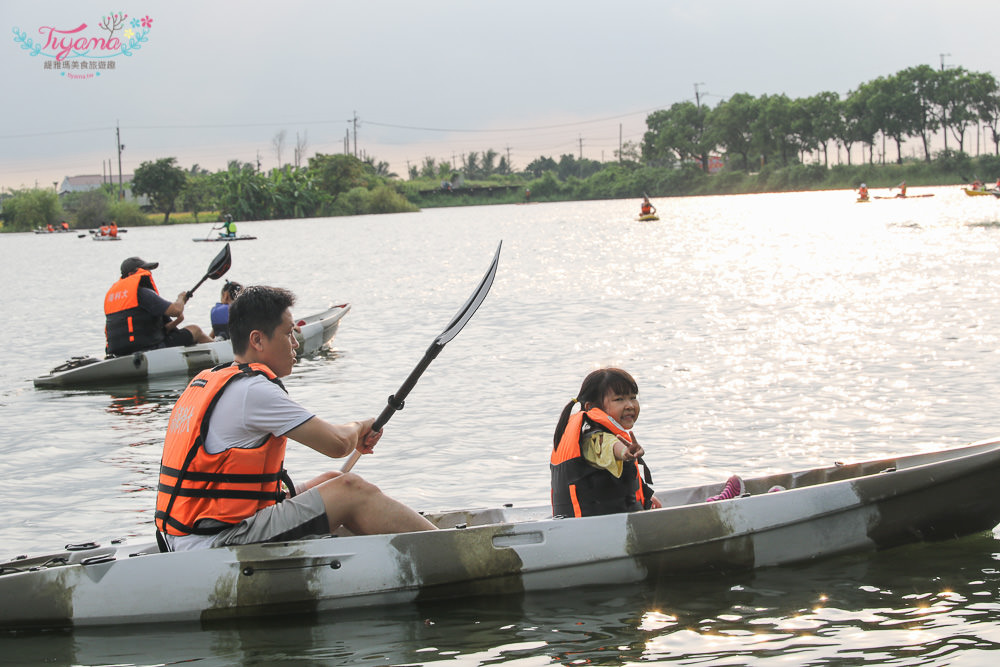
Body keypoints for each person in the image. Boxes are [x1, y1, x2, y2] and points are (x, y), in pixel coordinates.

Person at [155, 285, 436, 551]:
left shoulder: (210, 381)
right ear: (257, 340)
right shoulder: (253, 390)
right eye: (288, 333)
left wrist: (354, 436)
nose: (295, 344)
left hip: (186, 533)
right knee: (350, 489)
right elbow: (337, 445)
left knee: (330, 480)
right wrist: (360, 427)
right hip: (217, 540)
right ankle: (447, 549)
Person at [551, 368, 660, 517]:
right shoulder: (595, 440)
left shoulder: (598, 434)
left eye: (633, 397)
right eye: (619, 399)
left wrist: (646, 496)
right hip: (596, 527)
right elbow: (611, 447)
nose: (630, 405)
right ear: (591, 407)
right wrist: (626, 452)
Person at [104, 256, 212, 357]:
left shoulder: (113, 297)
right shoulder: (143, 293)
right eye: (145, 270)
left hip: (119, 352)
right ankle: (220, 348)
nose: (149, 273)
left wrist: (178, 316)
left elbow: (160, 328)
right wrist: (180, 299)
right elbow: (176, 310)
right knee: (195, 329)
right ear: (131, 274)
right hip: (150, 350)